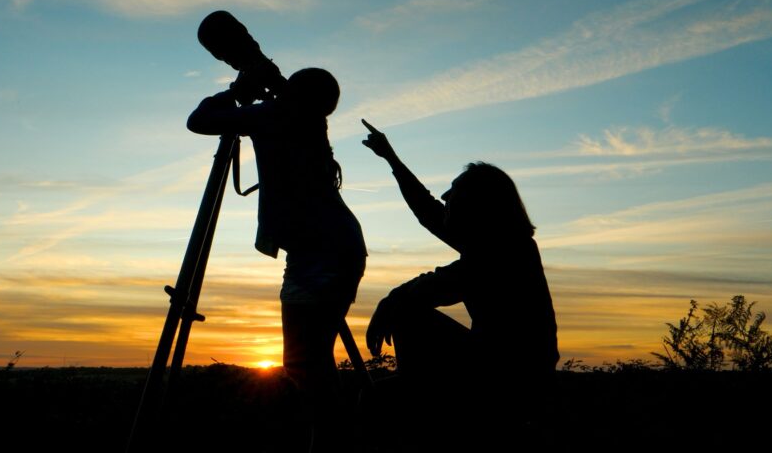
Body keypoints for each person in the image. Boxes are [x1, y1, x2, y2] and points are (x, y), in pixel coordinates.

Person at [188, 58, 366, 452]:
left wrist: (235, 93)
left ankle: (333, 446)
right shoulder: (307, 120)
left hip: (318, 256)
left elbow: (199, 120)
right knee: (313, 362)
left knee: (304, 365)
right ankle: (334, 442)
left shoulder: (277, 114)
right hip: (332, 249)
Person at [361, 119, 558, 451]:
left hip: (510, 383)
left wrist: (393, 299)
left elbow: (439, 285)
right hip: (501, 370)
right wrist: (391, 159)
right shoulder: (497, 241)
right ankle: (420, 397)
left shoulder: (504, 250)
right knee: (405, 311)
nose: (445, 195)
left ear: (477, 207)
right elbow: (428, 210)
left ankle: (421, 406)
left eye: (454, 192)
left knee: (407, 314)